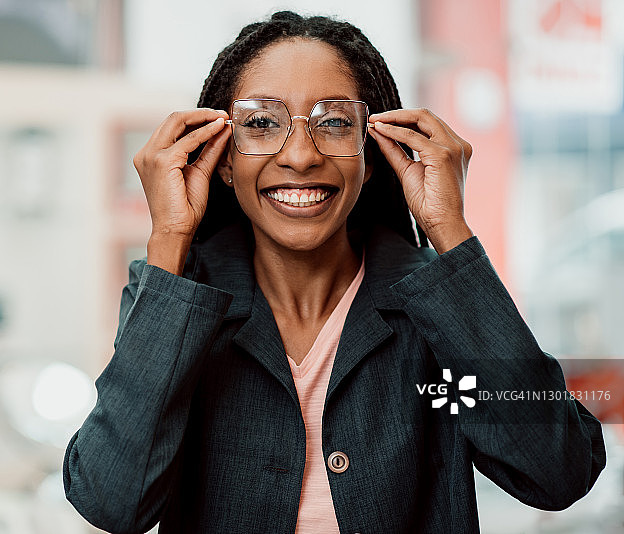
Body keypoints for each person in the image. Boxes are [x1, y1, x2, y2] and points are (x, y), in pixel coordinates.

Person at [63, 11, 606, 534]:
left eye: (335, 123)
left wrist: (448, 228)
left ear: (371, 154)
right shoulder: (176, 293)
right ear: (223, 158)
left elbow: (557, 473)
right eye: (261, 122)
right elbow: (113, 502)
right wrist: (170, 236)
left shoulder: (435, 302)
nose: (300, 155)